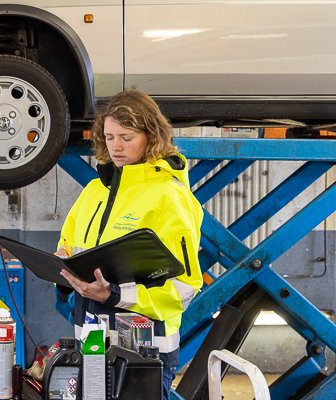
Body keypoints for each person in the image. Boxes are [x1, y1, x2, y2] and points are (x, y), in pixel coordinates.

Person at [53, 89, 204, 399]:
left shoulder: (169, 196)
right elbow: (68, 250)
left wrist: (115, 294)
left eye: (126, 136)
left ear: (151, 136)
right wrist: (64, 272)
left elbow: (185, 287)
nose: (116, 147)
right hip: (91, 343)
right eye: (109, 137)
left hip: (143, 352)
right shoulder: (94, 192)